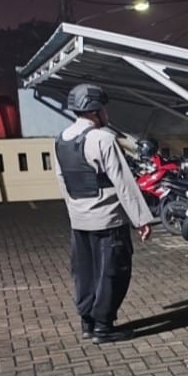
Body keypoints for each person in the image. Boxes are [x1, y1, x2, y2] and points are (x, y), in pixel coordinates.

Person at [54, 83, 154, 343]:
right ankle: (104, 326)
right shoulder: (103, 139)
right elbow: (123, 182)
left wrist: (75, 212)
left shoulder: (61, 140)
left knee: (85, 274)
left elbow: (62, 181)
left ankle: (87, 323)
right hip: (108, 221)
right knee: (113, 273)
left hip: (79, 221)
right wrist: (141, 220)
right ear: (95, 110)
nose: (107, 113)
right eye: (104, 109)